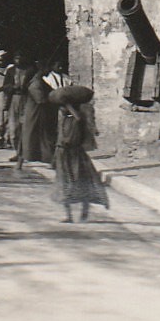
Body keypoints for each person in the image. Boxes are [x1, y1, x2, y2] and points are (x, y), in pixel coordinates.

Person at [52, 87, 111, 223]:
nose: (62, 109)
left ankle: (84, 214)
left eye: (64, 107)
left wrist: (69, 106)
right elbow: (59, 138)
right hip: (63, 154)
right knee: (64, 184)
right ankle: (69, 215)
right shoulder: (64, 119)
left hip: (76, 154)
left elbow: (78, 119)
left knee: (82, 183)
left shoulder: (77, 119)